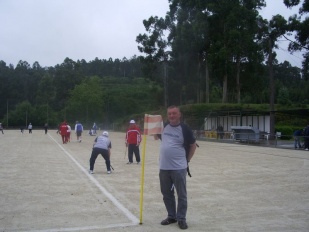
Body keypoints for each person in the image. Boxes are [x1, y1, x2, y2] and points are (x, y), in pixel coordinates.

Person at [155, 105, 196, 230]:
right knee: (167, 193)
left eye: (174, 113)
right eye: (169, 114)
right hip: (164, 167)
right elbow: (157, 137)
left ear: (179, 115)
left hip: (179, 167)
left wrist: (187, 160)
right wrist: (153, 129)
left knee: (181, 194)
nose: (171, 116)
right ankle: (171, 216)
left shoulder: (185, 129)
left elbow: (193, 145)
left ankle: (181, 218)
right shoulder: (164, 127)